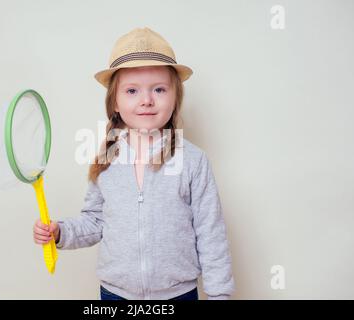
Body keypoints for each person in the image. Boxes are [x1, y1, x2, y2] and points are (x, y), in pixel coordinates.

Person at [33, 27, 235, 300]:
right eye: (131, 91)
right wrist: (61, 232)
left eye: (159, 89)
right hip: (115, 294)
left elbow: (211, 234)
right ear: (114, 102)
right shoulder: (106, 159)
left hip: (178, 294)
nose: (147, 100)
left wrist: (219, 294)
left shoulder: (193, 161)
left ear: (175, 98)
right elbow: (94, 221)